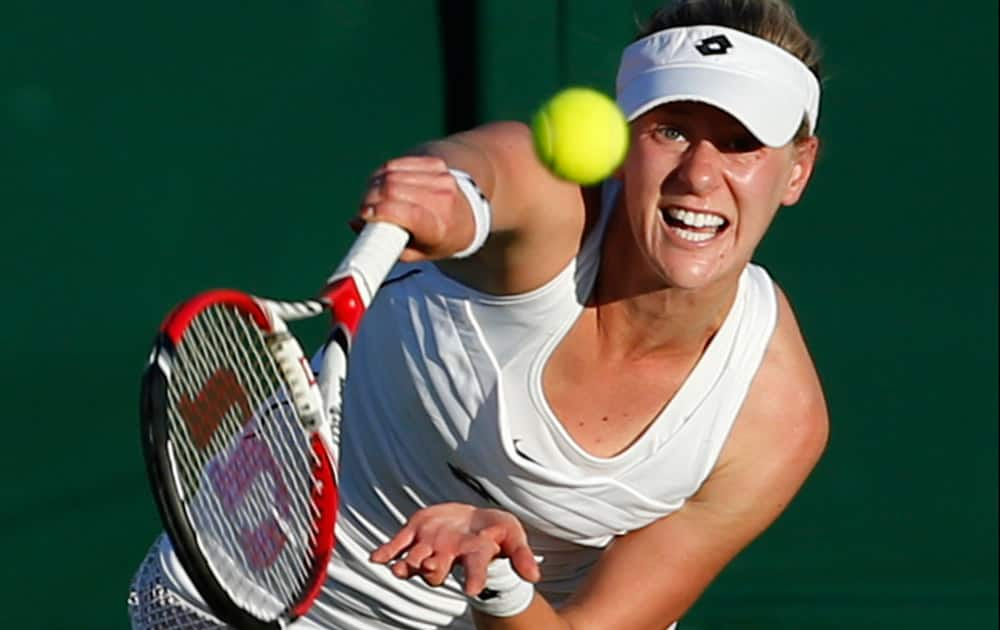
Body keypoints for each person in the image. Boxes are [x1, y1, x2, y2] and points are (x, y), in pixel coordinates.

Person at [128, 0, 829, 628]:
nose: (700, 175)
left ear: (797, 170)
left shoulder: (773, 421)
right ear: (619, 144)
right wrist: (447, 196)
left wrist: (496, 578)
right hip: (234, 606)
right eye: (671, 131)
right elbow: (488, 173)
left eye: (741, 143)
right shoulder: (553, 213)